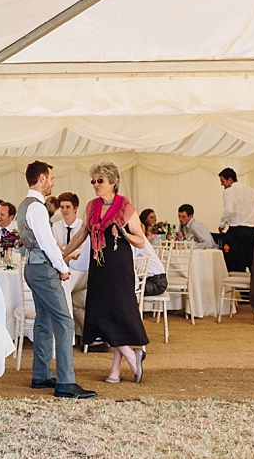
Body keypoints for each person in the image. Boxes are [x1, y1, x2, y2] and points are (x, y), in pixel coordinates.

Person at [64, 162, 149, 384]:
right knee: (100, 314)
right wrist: (63, 254)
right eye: (93, 181)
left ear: (113, 182)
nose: (95, 184)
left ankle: (119, 367)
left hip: (119, 266)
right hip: (99, 267)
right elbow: (82, 235)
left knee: (118, 313)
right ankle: (130, 357)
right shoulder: (91, 206)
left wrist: (124, 234)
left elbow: (140, 241)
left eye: (100, 180)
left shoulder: (126, 208)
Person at [18, 160, 95, 399]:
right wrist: (62, 267)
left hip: (32, 267)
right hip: (43, 269)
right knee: (65, 322)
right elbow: (47, 243)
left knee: (44, 321)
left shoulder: (23, 205)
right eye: (50, 178)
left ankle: (40, 375)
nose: (52, 182)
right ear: (41, 178)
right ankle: (66, 382)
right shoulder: (38, 207)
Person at [218, 168, 254, 272]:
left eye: (222, 181)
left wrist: (222, 225)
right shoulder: (251, 190)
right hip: (251, 231)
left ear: (230, 180)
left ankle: (238, 286)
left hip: (236, 231)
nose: (222, 185)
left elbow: (229, 211)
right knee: (251, 262)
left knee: (235, 263)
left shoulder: (228, 192)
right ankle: (253, 286)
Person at [52, 192, 87, 330]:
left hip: (79, 269)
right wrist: (68, 254)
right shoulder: (56, 226)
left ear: (75, 208)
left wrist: (65, 251)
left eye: (67, 207)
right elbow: (53, 248)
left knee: (72, 292)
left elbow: (82, 251)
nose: (64, 210)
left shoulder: (82, 226)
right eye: (62, 207)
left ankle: (77, 331)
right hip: (63, 264)